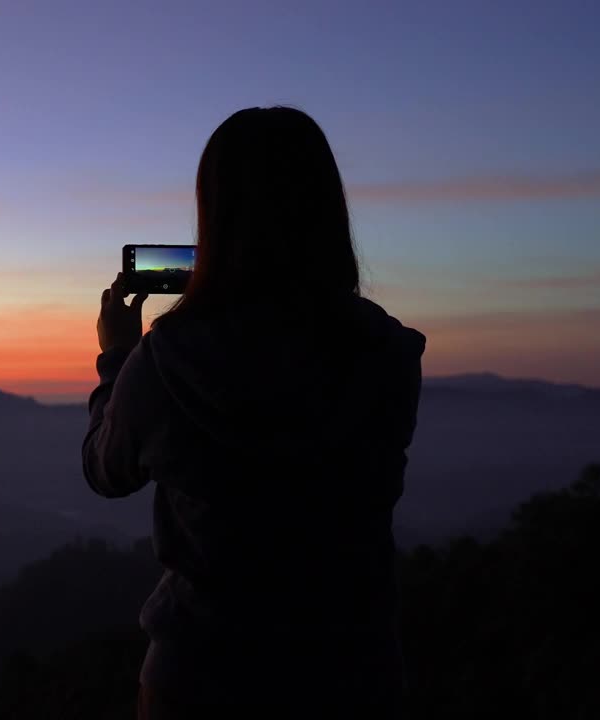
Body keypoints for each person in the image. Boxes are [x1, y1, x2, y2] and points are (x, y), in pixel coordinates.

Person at [83, 106, 425, 719]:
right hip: (353, 674)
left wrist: (118, 360)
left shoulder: (167, 359)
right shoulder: (390, 352)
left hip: (202, 676)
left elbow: (107, 472)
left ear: (213, 219)